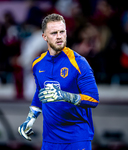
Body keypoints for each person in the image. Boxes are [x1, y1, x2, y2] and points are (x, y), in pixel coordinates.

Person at [18, 13, 99, 150]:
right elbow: (40, 93)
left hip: (77, 139)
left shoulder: (79, 63)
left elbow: (93, 99)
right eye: (54, 33)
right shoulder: (38, 64)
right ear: (44, 37)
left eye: (62, 32)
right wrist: (30, 119)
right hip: (49, 140)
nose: (59, 36)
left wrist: (65, 96)